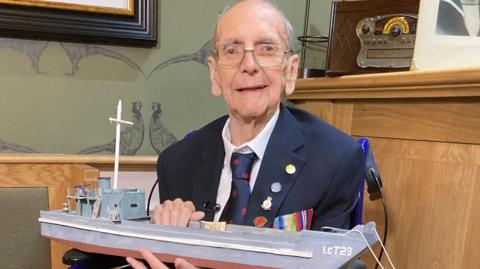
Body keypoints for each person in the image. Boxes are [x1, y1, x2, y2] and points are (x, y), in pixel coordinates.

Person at [127, 0, 363, 268]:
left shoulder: (335, 159)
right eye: (232, 50)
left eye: (267, 49)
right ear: (215, 75)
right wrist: (166, 230)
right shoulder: (177, 163)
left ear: (291, 70)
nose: (249, 65)